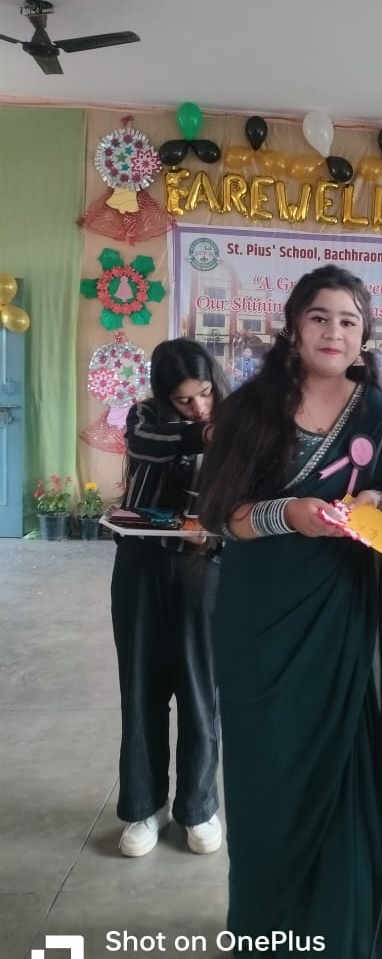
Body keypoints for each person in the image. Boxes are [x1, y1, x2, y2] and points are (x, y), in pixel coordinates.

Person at [196, 266, 382, 959]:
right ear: (293, 325)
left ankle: (342, 956)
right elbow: (222, 517)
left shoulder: (373, 408)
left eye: (349, 321)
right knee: (265, 783)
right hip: (260, 621)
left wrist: (374, 501)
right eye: (320, 317)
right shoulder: (251, 408)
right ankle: (264, 945)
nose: (333, 332)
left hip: (340, 611)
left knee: (340, 777)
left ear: (364, 336)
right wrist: (290, 515)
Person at [111, 339, 229, 858]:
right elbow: (148, 445)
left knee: (201, 692)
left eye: (205, 394)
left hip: (205, 569)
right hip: (141, 566)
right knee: (141, 687)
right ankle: (144, 806)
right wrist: (205, 433)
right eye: (184, 400)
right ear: (163, 396)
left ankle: (199, 807)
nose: (199, 406)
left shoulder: (235, 422)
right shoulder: (144, 419)